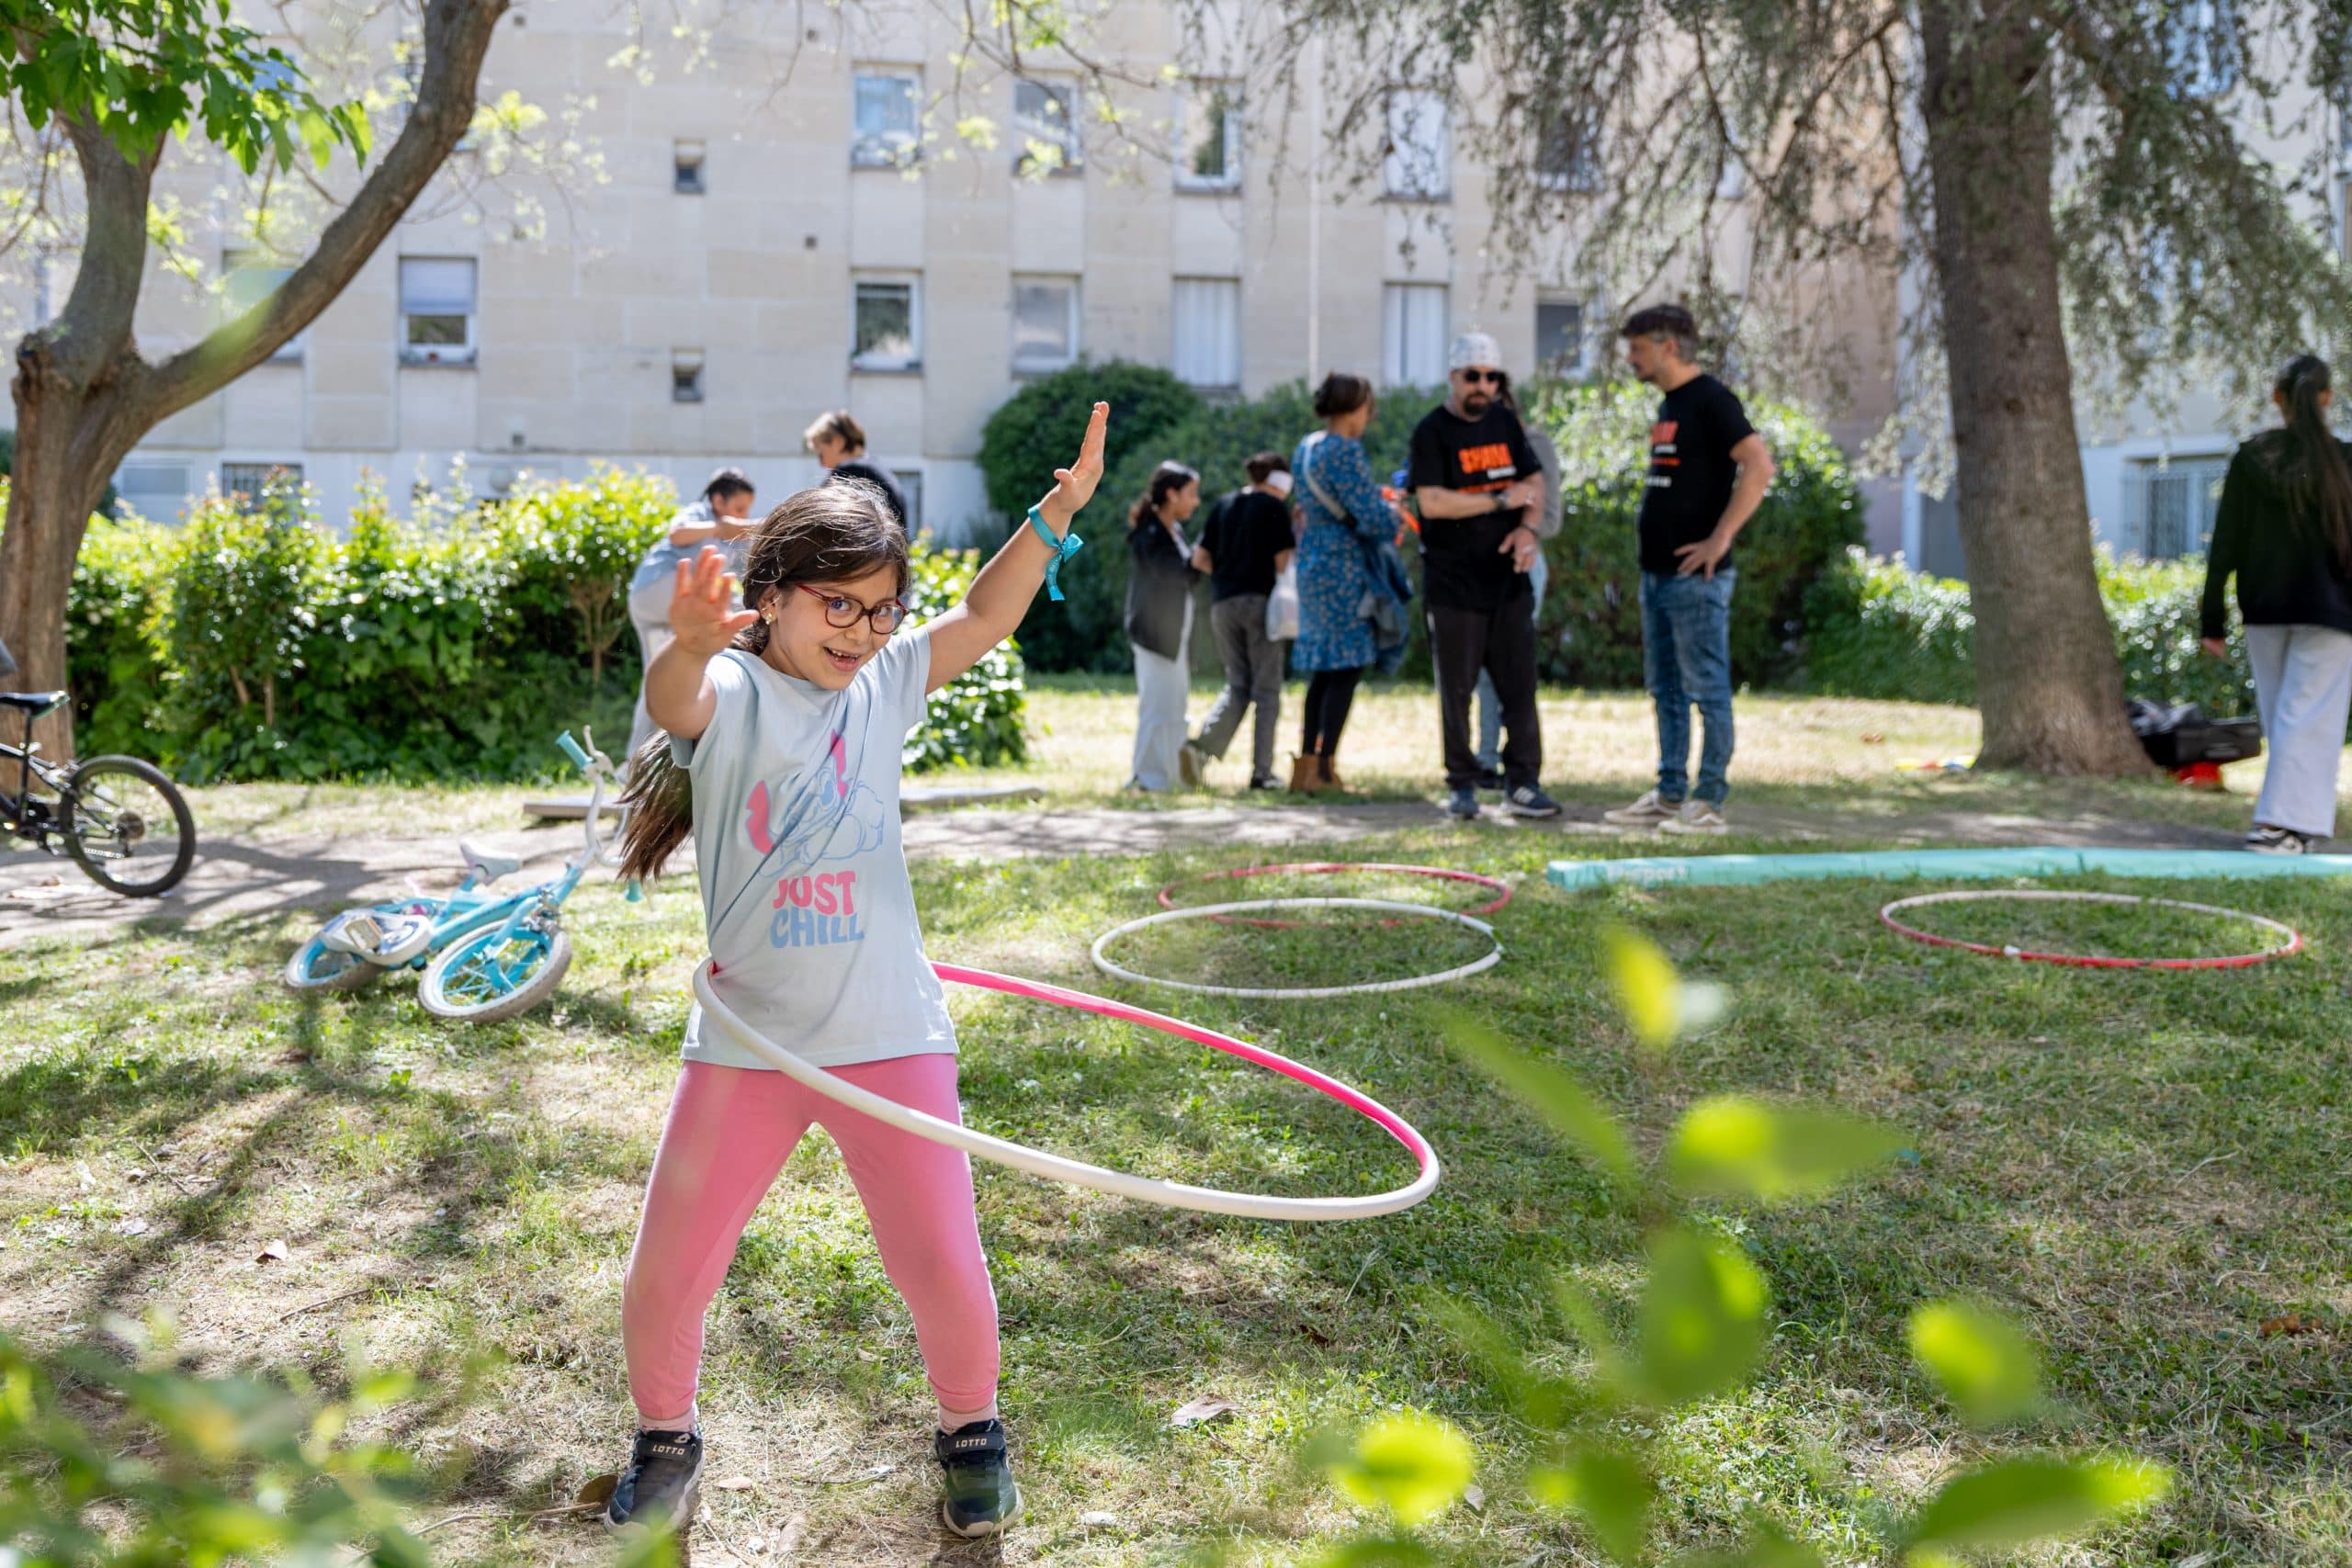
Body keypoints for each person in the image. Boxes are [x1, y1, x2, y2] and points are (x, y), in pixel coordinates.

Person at [603, 402, 1108, 1545]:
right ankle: (665, 1438)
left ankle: (971, 1432)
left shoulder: (886, 685)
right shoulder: (735, 696)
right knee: (669, 1266)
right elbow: (680, 701)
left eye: (881, 610)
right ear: (772, 595)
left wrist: (1054, 513)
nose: (864, 631)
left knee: (941, 1260)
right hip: (751, 1039)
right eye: (839, 605)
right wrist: (685, 645)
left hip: (889, 1032)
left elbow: (984, 612)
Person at [1602, 303, 1775, 836]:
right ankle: (1669, 793)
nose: (1631, 359)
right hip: (1657, 574)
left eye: (1637, 349)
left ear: (1669, 347)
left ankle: (1709, 801)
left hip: (1697, 579)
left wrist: (1720, 539)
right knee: (1667, 690)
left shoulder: (1711, 400)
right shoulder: (1670, 405)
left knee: (1707, 689)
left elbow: (1759, 465)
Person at [2199, 354, 2352, 853]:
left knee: (2286, 719)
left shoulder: (2252, 458)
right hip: (2330, 612)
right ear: (2327, 398)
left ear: (2277, 398)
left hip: (2264, 607)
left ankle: (2289, 828)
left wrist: (2212, 618)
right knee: (2306, 719)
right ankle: (2280, 828)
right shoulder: (2345, 460)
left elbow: (2225, 542)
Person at [1408, 332, 1561, 820]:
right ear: (1453, 377)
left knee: (1520, 687)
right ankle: (1462, 785)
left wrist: (1527, 530)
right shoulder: (1432, 431)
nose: (1483, 385)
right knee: (1457, 691)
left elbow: (1533, 482)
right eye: (1473, 376)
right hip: (1453, 585)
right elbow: (1432, 502)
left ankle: (1523, 783)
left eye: (1492, 377)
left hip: (1507, 582)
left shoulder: (1505, 423)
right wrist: (1497, 501)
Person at [1291, 374, 1405, 794]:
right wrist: (1394, 514)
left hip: (1312, 559)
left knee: (1322, 668)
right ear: (1356, 408)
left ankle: (1305, 765)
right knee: (1347, 665)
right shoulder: (1345, 449)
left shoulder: (1307, 446)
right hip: (1342, 564)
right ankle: (1325, 769)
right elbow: (1371, 517)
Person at [1469, 371, 1562, 792]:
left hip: (1522, 565)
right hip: (1479, 568)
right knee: (1482, 669)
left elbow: (1550, 516)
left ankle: (1511, 760)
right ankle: (1486, 758)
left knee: (1511, 668)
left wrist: (1520, 530)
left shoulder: (1534, 443)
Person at [1182, 452, 1295, 790]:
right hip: (1260, 604)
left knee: (1238, 684)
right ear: (1279, 480)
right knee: (1267, 690)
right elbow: (1284, 562)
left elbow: (1199, 558)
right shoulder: (1274, 508)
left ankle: (1200, 750)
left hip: (1223, 605)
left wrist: (1229, 573)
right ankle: (1262, 773)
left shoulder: (1224, 505)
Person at [627, 468, 757, 756]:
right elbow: (677, 534)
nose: (742, 516)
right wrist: (720, 527)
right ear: (718, 501)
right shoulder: (700, 514)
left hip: (659, 613)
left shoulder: (731, 536)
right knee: (728, 610)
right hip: (656, 591)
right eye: (739, 509)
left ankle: (637, 758)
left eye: (746, 511)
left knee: (658, 679)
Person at [1125, 461, 1204, 791]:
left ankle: (1171, 774)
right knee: (1157, 705)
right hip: (1155, 635)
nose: (1196, 501)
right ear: (1172, 494)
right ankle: (1147, 776)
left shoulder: (1173, 531)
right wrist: (1200, 556)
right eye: (1191, 493)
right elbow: (1175, 574)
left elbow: (1188, 576)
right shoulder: (1150, 533)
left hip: (1175, 634)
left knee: (1174, 704)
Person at [807, 410, 910, 529]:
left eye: (821, 453)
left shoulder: (844, 479)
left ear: (837, 442)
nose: (822, 463)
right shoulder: (880, 472)